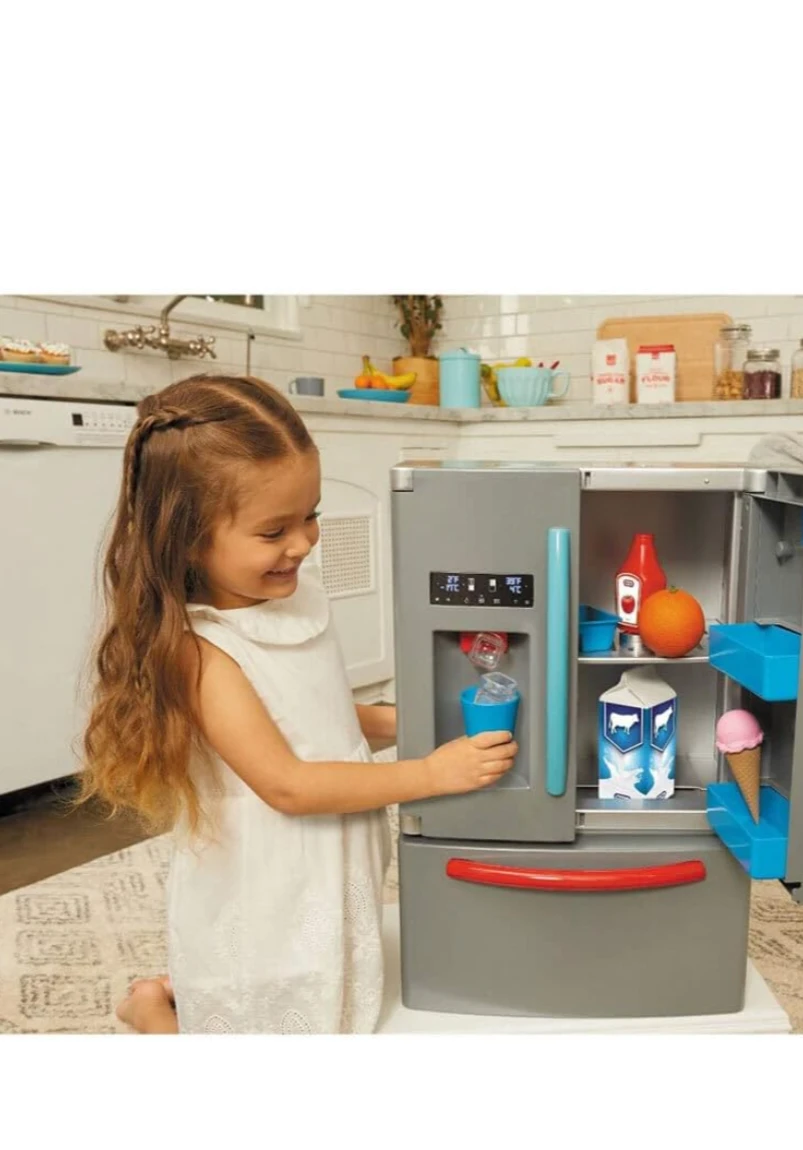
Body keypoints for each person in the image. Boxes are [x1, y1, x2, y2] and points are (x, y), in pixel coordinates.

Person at [79, 374, 516, 1034]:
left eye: (310, 514)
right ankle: (149, 1009)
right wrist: (430, 774)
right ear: (188, 537)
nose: (303, 542)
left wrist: (415, 724)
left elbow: (320, 717)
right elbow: (288, 784)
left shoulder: (294, 599)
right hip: (267, 883)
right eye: (273, 530)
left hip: (326, 857)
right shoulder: (203, 652)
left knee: (330, 1002)